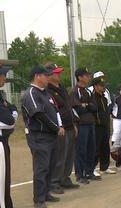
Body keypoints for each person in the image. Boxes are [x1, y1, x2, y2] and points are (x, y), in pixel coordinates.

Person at [21, 65, 63, 208]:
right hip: (39, 136)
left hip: (50, 135)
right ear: (37, 76)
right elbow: (38, 115)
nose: (48, 77)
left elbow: (55, 110)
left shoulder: (46, 93)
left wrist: (58, 126)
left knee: (51, 165)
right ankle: (38, 198)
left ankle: (46, 193)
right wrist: (55, 127)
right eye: (46, 75)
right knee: (41, 167)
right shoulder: (31, 93)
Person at [0, 60, 23, 208]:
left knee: (2, 182)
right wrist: (11, 111)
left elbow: (9, 111)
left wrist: (9, 109)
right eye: (1, 74)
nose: (4, 76)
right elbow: (8, 121)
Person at [45, 63, 79, 194]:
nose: (58, 74)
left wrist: (74, 124)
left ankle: (65, 178)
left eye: (59, 72)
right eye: (55, 72)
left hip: (69, 125)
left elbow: (69, 107)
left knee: (69, 155)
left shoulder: (62, 88)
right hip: (60, 127)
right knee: (60, 156)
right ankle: (54, 182)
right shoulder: (47, 90)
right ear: (48, 75)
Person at [70, 67, 97, 184]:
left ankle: (89, 172)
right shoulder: (74, 91)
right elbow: (77, 109)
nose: (88, 77)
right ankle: (80, 175)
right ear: (79, 77)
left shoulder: (88, 91)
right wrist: (86, 106)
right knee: (81, 149)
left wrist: (86, 105)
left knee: (91, 149)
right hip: (81, 124)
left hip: (90, 122)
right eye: (85, 75)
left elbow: (95, 107)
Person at [89, 76, 114, 175]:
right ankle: (93, 167)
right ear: (95, 86)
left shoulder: (104, 98)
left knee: (105, 146)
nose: (103, 87)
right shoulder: (92, 97)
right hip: (97, 126)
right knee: (96, 147)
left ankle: (104, 167)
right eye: (101, 85)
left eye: (104, 85)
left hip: (105, 125)